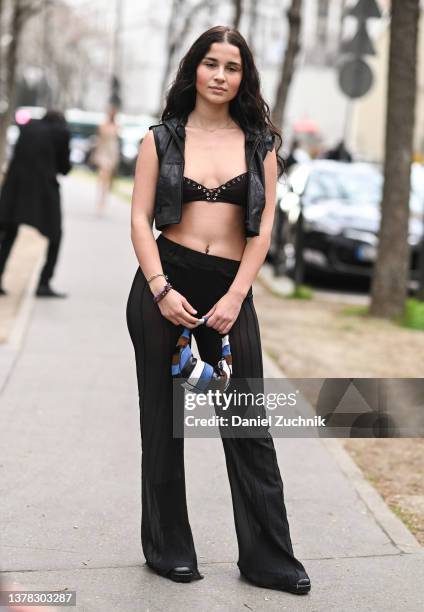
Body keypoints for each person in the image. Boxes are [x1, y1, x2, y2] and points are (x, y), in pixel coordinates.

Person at [126, 26, 311, 595]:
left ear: (242, 77)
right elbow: (140, 220)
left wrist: (235, 296)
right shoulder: (161, 139)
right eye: (211, 63)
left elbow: (264, 230)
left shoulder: (260, 145)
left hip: (231, 291)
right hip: (165, 287)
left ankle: (268, 558)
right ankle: (169, 549)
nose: (220, 75)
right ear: (194, 70)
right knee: (164, 424)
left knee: (247, 424)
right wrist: (160, 288)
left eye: (232, 67)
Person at [0, 110, 71, 298]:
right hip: (43, 192)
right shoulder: (61, 132)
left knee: (8, 234)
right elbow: (64, 167)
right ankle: (43, 283)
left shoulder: (27, 127)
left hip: (14, 190)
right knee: (55, 236)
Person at [91, 106, 120, 215]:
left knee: (107, 176)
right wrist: (95, 154)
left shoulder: (117, 126)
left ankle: (103, 199)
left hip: (112, 152)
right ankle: (100, 198)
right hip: (103, 151)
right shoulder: (102, 126)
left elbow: (116, 142)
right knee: (103, 174)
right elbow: (99, 140)